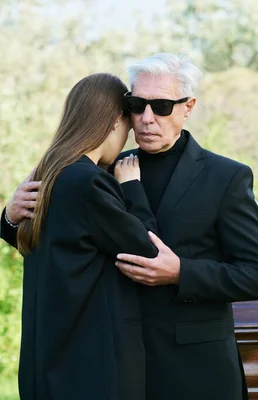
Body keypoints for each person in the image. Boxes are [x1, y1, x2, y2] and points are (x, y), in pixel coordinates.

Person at [3, 54, 258, 400]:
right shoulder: (102, 169)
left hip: (197, 371)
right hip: (115, 370)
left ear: (187, 107)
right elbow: (58, 245)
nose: (147, 118)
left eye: (161, 106)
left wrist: (181, 273)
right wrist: (11, 216)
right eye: (137, 104)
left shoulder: (227, 177)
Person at [0, 73, 159, 399]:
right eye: (127, 129)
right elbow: (148, 249)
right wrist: (133, 187)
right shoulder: (88, 183)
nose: (125, 141)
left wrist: (5, 219)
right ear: (115, 121)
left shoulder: (50, 173)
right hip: (93, 368)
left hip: (48, 362)